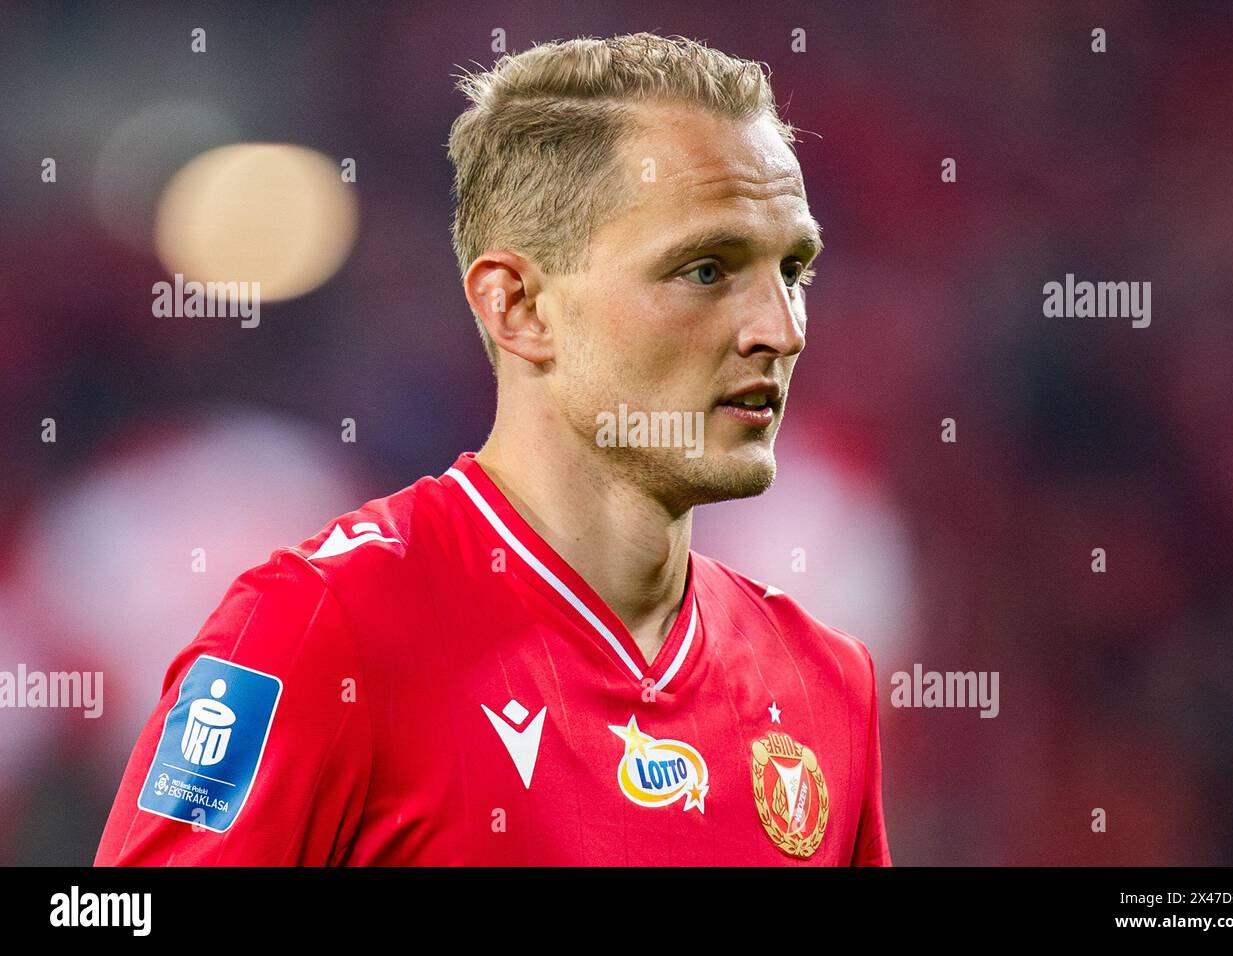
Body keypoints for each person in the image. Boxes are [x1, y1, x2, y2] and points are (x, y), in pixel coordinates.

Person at [95, 32, 891, 866]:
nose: (781, 329)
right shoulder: (315, 629)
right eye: (705, 269)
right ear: (518, 309)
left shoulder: (824, 683)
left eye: (793, 269)